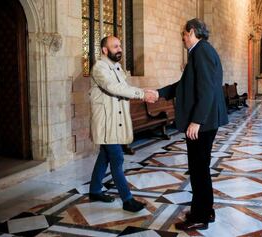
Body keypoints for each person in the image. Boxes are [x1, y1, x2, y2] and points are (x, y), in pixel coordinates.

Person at [152, 18, 229, 230]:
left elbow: (205, 90)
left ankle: (200, 216)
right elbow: (184, 85)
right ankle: (206, 210)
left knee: (198, 169)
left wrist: (196, 121)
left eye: (183, 34)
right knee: (201, 168)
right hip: (206, 121)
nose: (183, 39)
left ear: (192, 32)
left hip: (202, 123)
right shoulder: (202, 50)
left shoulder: (201, 51)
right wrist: (159, 93)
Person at [89, 35, 157, 212]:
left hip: (116, 120)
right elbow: (114, 88)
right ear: (105, 50)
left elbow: (124, 89)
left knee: (105, 156)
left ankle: (95, 190)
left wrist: (141, 91)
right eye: (115, 46)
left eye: (120, 46)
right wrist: (141, 94)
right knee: (117, 158)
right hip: (106, 122)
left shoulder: (117, 67)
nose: (119, 49)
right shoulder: (99, 68)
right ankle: (127, 200)